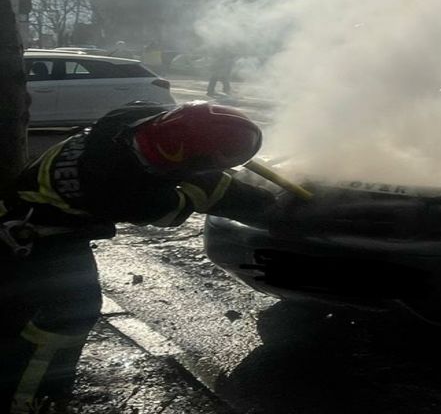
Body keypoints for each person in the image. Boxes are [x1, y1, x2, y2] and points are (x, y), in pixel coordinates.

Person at [0, 101, 275, 413]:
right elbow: (184, 204)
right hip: (38, 238)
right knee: (70, 313)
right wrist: (269, 210)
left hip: (22, 220)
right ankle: (28, 400)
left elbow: (196, 165)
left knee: (19, 311)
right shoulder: (126, 191)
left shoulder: (127, 118)